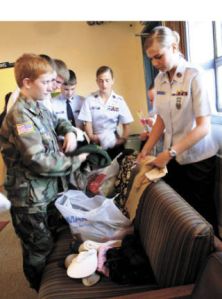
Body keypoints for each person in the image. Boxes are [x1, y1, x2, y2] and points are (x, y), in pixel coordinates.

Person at [0, 53, 87, 291]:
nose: (52, 87)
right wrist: (75, 161)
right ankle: (42, 290)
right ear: (27, 82)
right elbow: (38, 160)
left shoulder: (37, 106)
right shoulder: (20, 115)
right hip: (30, 199)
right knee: (38, 251)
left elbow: (60, 122)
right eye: (46, 82)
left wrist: (69, 131)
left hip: (46, 192)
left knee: (53, 244)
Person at [137, 26, 219, 238]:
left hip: (197, 159)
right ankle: (185, 254)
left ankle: (211, 257)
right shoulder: (160, 80)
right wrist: (146, 149)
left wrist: (170, 152)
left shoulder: (194, 75)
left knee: (201, 214)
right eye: (151, 59)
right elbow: (161, 120)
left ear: (174, 47)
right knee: (180, 212)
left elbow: (203, 126)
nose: (155, 64)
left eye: (158, 57)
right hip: (172, 159)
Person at [78, 65, 134, 159]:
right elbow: (87, 123)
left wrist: (122, 140)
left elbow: (127, 125)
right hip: (96, 142)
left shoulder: (119, 100)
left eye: (107, 80)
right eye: (101, 81)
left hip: (114, 141)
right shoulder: (89, 100)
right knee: (99, 171)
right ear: (97, 81)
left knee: (118, 169)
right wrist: (92, 137)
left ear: (112, 81)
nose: (104, 84)